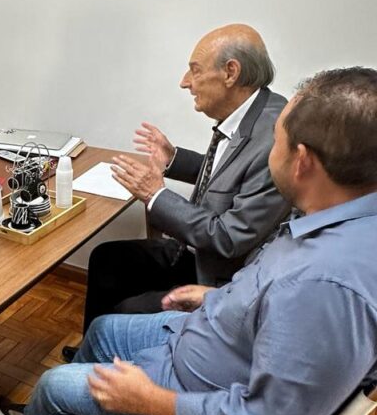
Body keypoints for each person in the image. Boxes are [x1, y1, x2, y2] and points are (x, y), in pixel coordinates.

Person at [0, 68, 377, 415]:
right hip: (211, 340)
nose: (271, 147)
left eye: (278, 139)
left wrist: (152, 402)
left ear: (302, 161)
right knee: (102, 330)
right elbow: (276, 297)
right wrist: (221, 296)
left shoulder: (327, 287)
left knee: (52, 386)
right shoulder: (340, 216)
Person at [60, 24, 289, 364]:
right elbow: (230, 177)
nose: (185, 81)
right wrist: (174, 159)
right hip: (198, 250)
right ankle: (90, 357)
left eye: (195, 70)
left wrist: (156, 196)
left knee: (126, 311)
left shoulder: (272, 138)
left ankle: (100, 370)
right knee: (107, 259)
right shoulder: (253, 111)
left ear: (231, 72)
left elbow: (228, 237)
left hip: (219, 275)